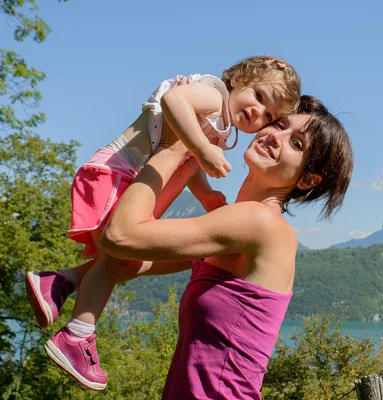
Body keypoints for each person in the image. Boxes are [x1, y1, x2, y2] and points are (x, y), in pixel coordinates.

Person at [26, 56, 300, 390]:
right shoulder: (213, 96)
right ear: (239, 79)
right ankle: (77, 334)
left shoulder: (219, 122)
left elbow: (187, 160)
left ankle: (59, 282)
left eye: (270, 115)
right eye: (258, 96)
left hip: (130, 177)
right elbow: (174, 103)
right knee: (117, 254)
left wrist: (204, 193)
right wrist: (201, 147)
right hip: (119, 172)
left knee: (124, 258)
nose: (260, 113)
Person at [97, 95, 354, 399]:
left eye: (296, 144)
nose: (275, 136)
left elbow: (120, 236)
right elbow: (128, 260)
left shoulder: (259, 222)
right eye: (280, 125)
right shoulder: (237, 227)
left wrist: (176, 145)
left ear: (307, 179)